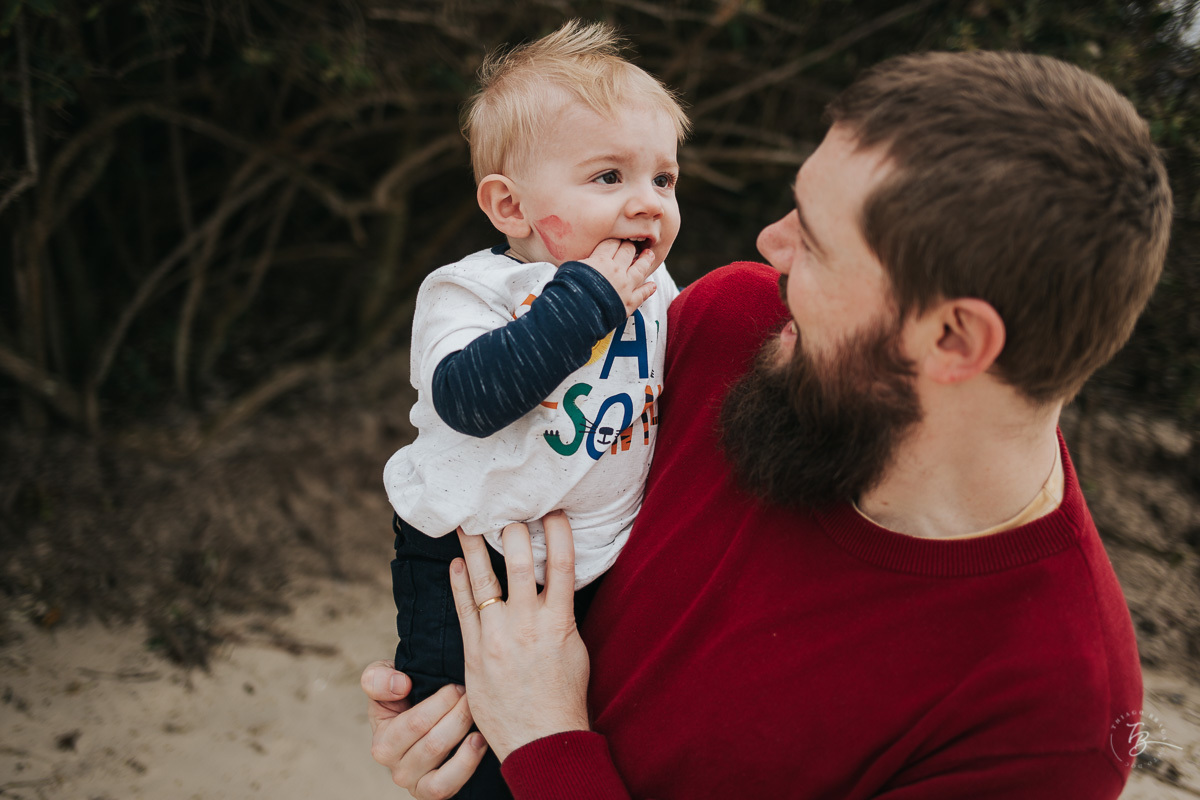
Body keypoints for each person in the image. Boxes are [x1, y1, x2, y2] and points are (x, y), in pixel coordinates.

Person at [364, 50, 1172, 799]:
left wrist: (544, 742)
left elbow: (537, 727)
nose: (767, 245)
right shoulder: (731, 326)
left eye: (813, 243)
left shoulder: (1051, 716)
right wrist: (452, 729)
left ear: (952, 338)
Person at [380, 20, 687, 798]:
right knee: (470, 748)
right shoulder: (475, 292)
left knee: (581, 727)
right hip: (468, 552)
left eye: (664, 180)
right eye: (608, 178)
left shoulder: (657, 294)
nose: (647, 204)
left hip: (599, 558)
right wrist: (583, 300)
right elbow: (469, 400)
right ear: (510, 206)